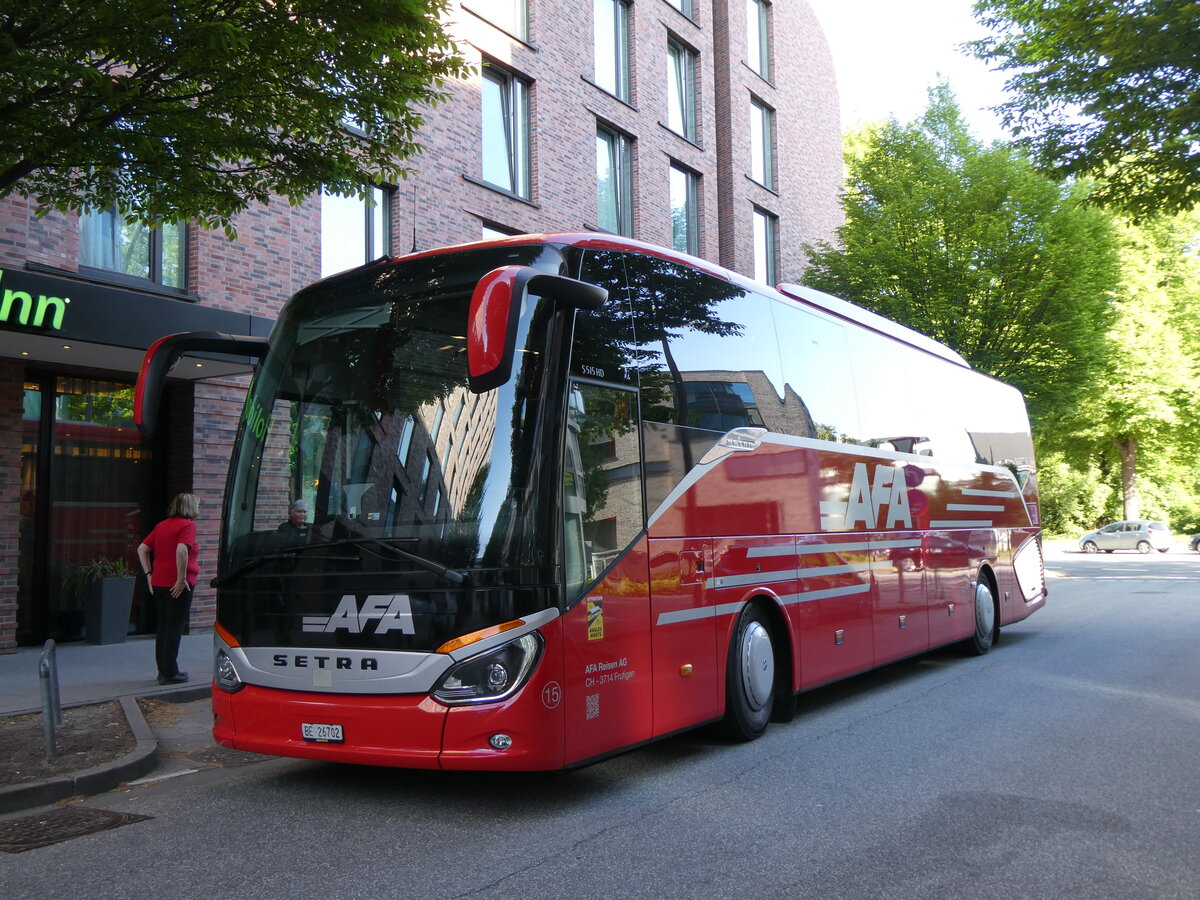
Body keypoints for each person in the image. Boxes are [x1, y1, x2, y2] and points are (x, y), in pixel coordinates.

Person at [137, 492, 200, 685]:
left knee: (163, 628)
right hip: (178, 585)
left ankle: (163, 670)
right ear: (190, 507)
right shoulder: (187, 526)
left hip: (159, 583)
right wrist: (181, 579)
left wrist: (149, 574)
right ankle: (170, 673)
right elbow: (182, 549)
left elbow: (142, 549)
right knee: (174, 628)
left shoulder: (162, 525)